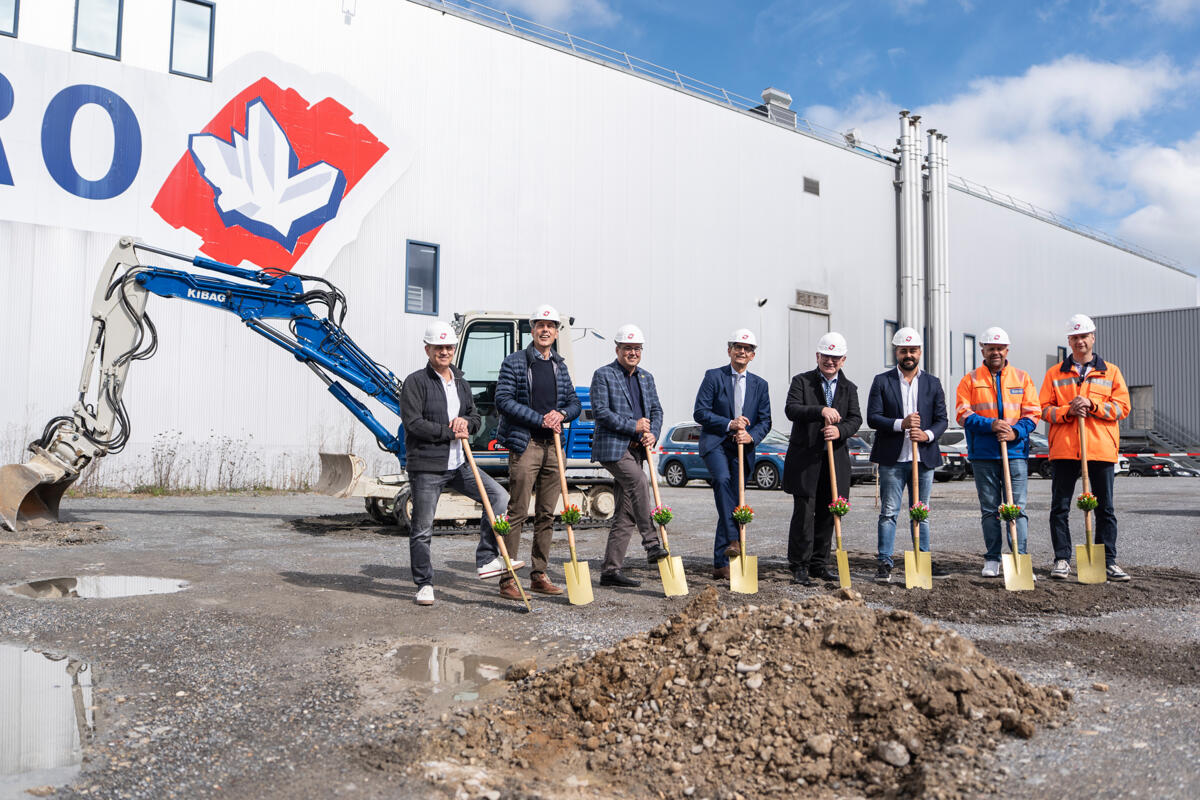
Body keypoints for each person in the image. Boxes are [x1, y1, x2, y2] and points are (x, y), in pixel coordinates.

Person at [399, 321, 524, 606]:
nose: (444, 351)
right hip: (428, 467)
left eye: (448, 347)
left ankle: (486, 560)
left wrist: (466, 422)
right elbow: (413, 423)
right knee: (422, 528)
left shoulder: (461, 383)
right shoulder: (415, 382)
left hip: (460, 464)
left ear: (454, 350)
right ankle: (424, 584)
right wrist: (449, 430)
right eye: (438, 347)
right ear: (427, 349)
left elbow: (475, 417)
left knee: (499, 497)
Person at [494, 304, 582, 599]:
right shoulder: (515, 362)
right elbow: (503, 400)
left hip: (553, 447)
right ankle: (508, 579)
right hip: (526, 443)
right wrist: (539, 418)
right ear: (532, 330)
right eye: (540, 325)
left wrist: (561, 414)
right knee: (517, 511)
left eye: (551, 326)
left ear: (556, 332)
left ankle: (538, 574)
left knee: (547, 513)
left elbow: (574, 403)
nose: (546, 330)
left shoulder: (560, 365)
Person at [1039, 314, 1131, 582]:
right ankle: (1062, 559)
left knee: (1106, 509)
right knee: (1060, 508)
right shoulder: (1055, 374)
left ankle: (1107, 561)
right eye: (1075, 337)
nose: (1080, 341)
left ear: (1093, 337)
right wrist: (1068, 411)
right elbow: (1044, 409)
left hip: (1100, 449)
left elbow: (1123, 408)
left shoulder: (1111, 372)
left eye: (1084, 336)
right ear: (1069, 340)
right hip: (1066, 450)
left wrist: (1093, 406)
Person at [954, 327, 1041, 578]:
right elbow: (962, 413)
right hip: (984, 455)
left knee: (1017, 508)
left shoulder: (1022, 378)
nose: (995, 352)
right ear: (982, 349)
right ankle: (992, 559)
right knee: (990, 509)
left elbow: (1033, 412)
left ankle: (1019, 558)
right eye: (990, 348)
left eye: (1000, 348)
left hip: (1014, 454)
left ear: (1007, 350)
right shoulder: (970, 379)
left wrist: (1016, 432)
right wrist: (990, 425)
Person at [866, 327, 950, 583]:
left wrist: (927, 435)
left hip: (922, 459)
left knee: (920, 511)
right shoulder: (883, 381)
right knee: (889, 512)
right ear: (897, 352)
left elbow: (941, 420)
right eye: (904, 350)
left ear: (920, 352)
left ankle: (921, 558)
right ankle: (884, 561)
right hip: (893, 459)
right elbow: (873, 417)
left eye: (913, 350)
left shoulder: (932, 383)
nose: (908, 355)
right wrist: (900, 424)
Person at [589, 324, 670, 588]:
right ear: (618, 349)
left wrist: (652, 433)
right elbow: (601, 412)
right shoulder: (604, 375)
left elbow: (656, 410)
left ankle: (611, 570)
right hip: (613, 448)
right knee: (638, 482)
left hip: (637, 449)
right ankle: (651, 543)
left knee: (625, 513)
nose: (632, 353)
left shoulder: (646, 378)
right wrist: (632, 426)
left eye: (636, 348)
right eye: (627, 348)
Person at [782, 332, 862, 586]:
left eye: (835, 357)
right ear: (817, 356)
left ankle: (819, 563)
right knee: (804, 513)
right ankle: (800, 564)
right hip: (806, 459)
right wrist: (821, 410)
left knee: (829, 513)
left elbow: (855, 418)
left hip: (834, 460)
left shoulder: (850, 388)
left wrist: (840, 430)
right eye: (826, 356)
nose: (830, 361)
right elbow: (792, 409)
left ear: (843, 359)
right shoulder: (802, 382)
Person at [693, 329, 772, 580]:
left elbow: (765, 420)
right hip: (716, 442)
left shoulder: (760, 385)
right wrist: (730, 424)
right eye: (737, 347)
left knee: (730, 500)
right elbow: (700, 412)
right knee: (722, 481)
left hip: (743, 447)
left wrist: (751, 436)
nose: (742, 352)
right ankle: (734, 539)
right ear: (729, 351)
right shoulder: (713, 377)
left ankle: (720, 564)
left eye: (747, 349)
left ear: (753, 355)